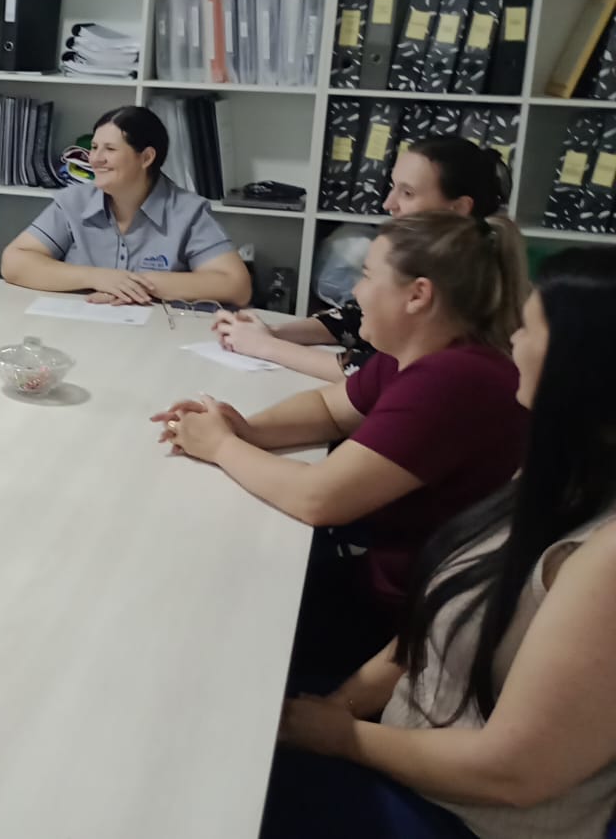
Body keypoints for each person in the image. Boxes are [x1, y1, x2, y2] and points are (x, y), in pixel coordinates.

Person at [264, 248, 616, 839]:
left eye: (530, 328)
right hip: (407, 751)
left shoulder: (602, 556)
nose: (514, 340)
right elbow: (434, 623)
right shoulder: (556, 472)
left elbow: (515, 772)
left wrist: (340, 734)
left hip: (466, 816)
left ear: (582, 364)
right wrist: (342, 705)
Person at [152, 211, 530, 682]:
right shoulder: (418, 353)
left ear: (418, 295)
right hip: (389, 585)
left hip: (406, 629)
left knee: (209, 626)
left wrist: (221, 446)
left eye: (367, 276)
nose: (355, 291)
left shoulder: (453, 378)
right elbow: (331, 409)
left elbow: (319, 499)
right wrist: (246, 429)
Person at [214, 137, 514, 381]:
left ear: (458, 208)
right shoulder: (434, 260)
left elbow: (376, 372)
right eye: (393, 187)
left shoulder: (464, 285)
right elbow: (354, 318)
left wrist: (266, 346)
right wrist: (273, 332)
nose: (388, 204)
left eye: (408, 193)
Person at [0, 105, 250, 305]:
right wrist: (97, 277)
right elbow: (14, 262)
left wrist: (135, 284)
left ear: (146, 157)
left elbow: (236, 286)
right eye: (94, 147)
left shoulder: (187, 211)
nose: (95, 159)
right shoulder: (73, 201)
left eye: (110, 149)